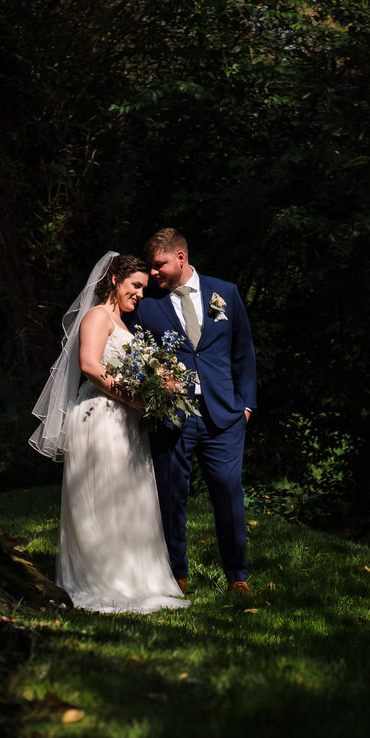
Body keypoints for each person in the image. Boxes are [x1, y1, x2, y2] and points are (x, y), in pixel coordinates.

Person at [29, 252, 190, 614]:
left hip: (126, 422)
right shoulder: (96, 316)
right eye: (135, 286)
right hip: (99, 418)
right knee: (103, 498)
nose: (140, 295)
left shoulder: (123, 322)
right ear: (115, 280)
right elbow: (89, 365)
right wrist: (135, 400)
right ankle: (99, 578)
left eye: (143, 289)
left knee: (128, 500)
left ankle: (133, 577)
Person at [132, 229, 257, 594]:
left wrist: (246, 405)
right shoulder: (146, 302)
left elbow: (243, 352)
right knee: (171, 495)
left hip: (224, 416)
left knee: (229, 493)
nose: (153, 273)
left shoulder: (226, 293)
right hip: (172, 415)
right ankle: (176, 576)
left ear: (181, 258)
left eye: (159, 265)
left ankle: (237, 577)